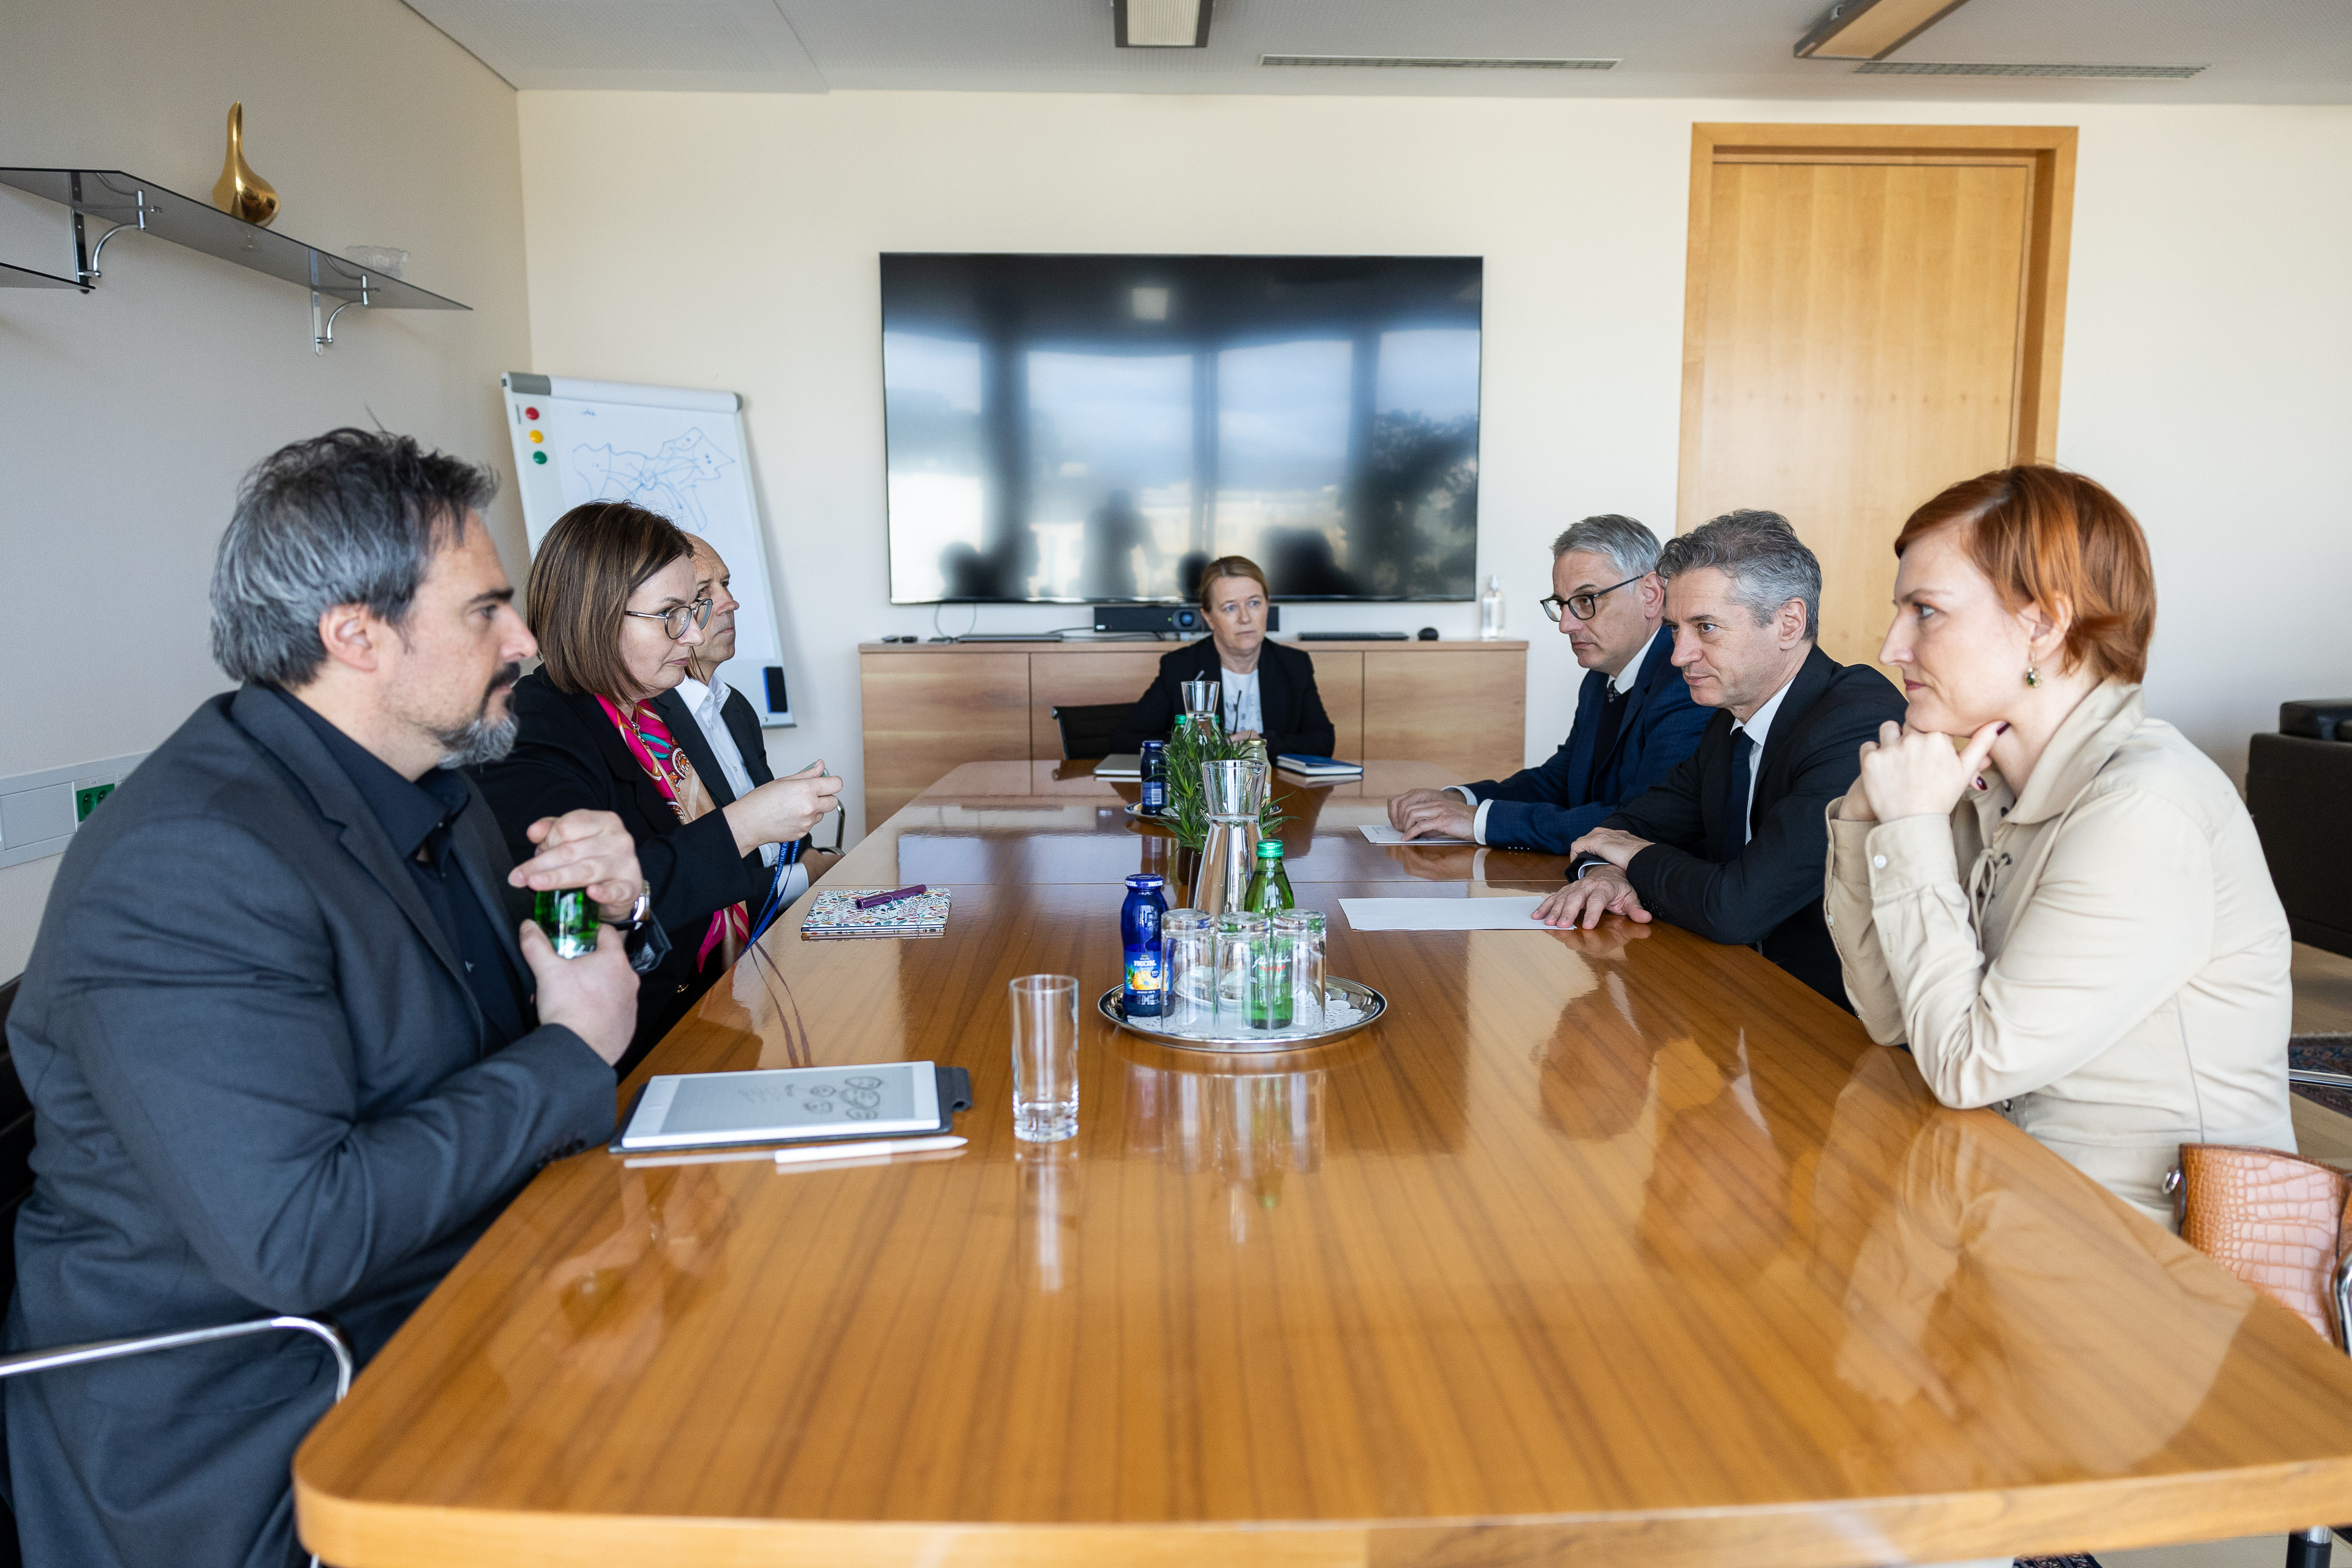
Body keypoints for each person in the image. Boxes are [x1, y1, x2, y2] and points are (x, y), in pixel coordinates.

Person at [3, 429, 662, 1568]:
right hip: (261, 1427)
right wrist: (571, 1050)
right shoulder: (187, 864)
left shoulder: (434, 787)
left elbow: (532, 1019)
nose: (524, 641)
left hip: (457, 1306)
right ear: (355, 634)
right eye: (485, 611)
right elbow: (299, 1235)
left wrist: (615, 913)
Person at [1823, 466, 2292, 1227]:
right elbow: (1894, 1019)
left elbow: (1967, 1064)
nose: (1891, 645)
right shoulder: (1983, 788)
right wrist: (1863, 819)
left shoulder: (2142, 809)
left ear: (2042, 625)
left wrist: (1909, 832)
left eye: (1926, 612)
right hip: (2008, 1198)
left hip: (2147, 1255)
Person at [472, 503, 840, 1072]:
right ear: (593, 615)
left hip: (719, 1006)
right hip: (630, 1050)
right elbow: (579, 917)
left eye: (692, 611)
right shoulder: (533, 731)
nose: (693, 635)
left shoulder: (653, 716)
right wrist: (745, 824)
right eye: (670, 615)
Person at [1535, 509, 1905, 1007]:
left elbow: (1737, 907)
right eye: (1675, 629)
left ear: (1789, 623)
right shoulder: (1730, 718)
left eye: (1705, 628)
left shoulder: (1856, 721)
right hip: (1740, 993)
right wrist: (1605, 872)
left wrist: (1632, 856)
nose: (1678, 655)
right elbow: (1629, 824)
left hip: (1838, 1019)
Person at [1387, 514, 1708, 851]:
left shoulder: (1686, 682)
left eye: (1586, 600)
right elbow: (1561, 780)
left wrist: (1480, 821)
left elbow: (1641, 823)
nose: (1566, 625)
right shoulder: (1599, 679)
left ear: (1651, 594)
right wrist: (1460, 798)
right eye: (1562, 604)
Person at [657, 533, 834, 910]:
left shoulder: (735, 705)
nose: (730, 603)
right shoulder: (648, 723)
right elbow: (685, 877)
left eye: (726, 584)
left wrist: (813, 859)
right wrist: (808, 875)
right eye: (704, 592)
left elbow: (775, 833)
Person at [1108, 554, 1336, 758]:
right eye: (1230, 608)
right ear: (1209, 618)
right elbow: (1124, 739)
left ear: (1267, 606)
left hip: (1273, 788)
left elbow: (1323, 741)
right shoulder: (1181, 667)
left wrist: (1264, 743)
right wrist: (1193, 746)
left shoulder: (1294, 665)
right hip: (1202, 790)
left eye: (1254, 603)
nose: (1245, 618)